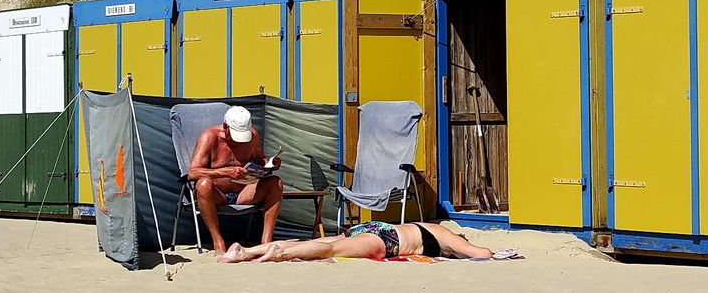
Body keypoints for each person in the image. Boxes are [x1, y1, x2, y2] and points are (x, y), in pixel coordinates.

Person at [188, 105, 284, 254]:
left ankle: (266, 240)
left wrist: (270, 163)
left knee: (275, 182)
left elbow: (259, 160)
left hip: (243, 192)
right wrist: (226, 172)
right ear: (225, 127)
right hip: (217, 194)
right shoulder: (209, 136)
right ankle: (218, 241)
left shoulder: (252, 136)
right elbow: (193, 173)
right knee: (203, 184)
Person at [218, 220, 493, 263]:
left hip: (372, 227)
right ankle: (278, 253)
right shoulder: (445, 234)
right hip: (387, 240)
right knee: (330, 249)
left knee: (331, 241)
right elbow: (481, 254)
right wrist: (463, 247)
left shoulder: (421, 223)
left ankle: (246, 251)